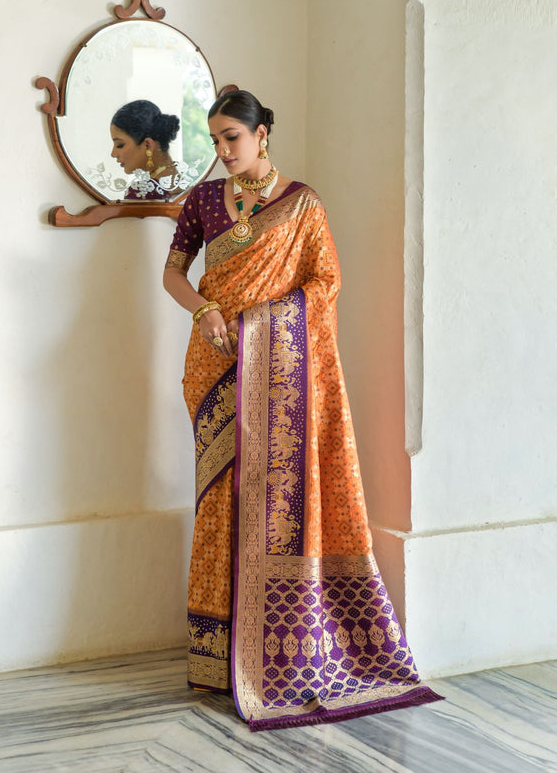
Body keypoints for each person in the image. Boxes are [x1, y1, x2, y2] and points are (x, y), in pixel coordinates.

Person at [162, 89, 442, 731]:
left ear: (264, 135)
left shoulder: (302, 204)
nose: (223, 150)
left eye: (232, 136)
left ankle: (280, 655)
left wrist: (263, 324)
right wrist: (203, 310)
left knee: (277, 499)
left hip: (280, 371)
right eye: (215, 139)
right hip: (215, 364)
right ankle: (216, 655)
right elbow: (174, 273)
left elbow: (325, 282)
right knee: (220, 499)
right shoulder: (203, 200)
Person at [110, 100, 182, 199]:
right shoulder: (188, 190)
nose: (113, 154)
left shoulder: (142, 192)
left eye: (120, 145)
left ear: (148, 145)